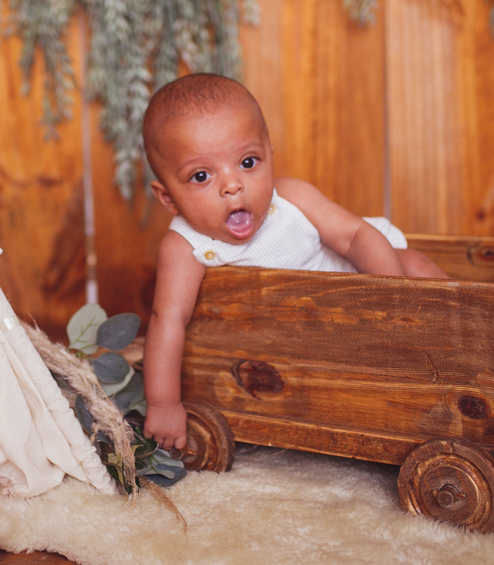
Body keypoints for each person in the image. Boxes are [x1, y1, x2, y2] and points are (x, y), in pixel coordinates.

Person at [140, 73, 446, 451]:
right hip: (301, 345)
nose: (233, 185)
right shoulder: (184, 247)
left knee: (417, 266)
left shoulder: (292, 199)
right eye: (201, 175)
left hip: (358, 295)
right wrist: (164, 403)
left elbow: (355, 237)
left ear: (270, 153)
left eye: (248, 162)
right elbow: (167, 320)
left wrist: (394, 300)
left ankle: (452, 342)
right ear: (167, 197)